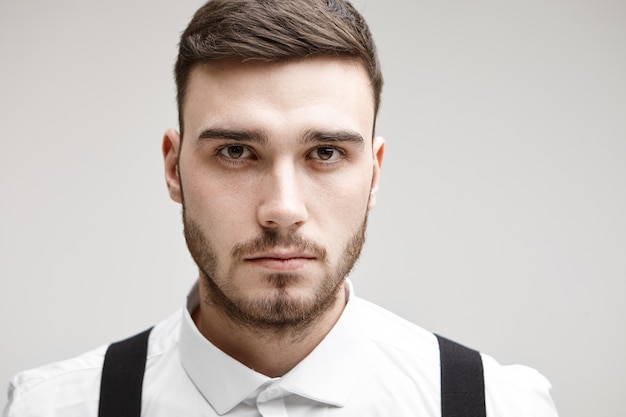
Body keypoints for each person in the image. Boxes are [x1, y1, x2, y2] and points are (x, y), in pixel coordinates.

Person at [3, 0, 558, 416]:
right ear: (173, 168)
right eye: (236, 152)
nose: (282, 209)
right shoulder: (46, 408)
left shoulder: (502, 405)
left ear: (374, 174)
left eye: (326, 153)